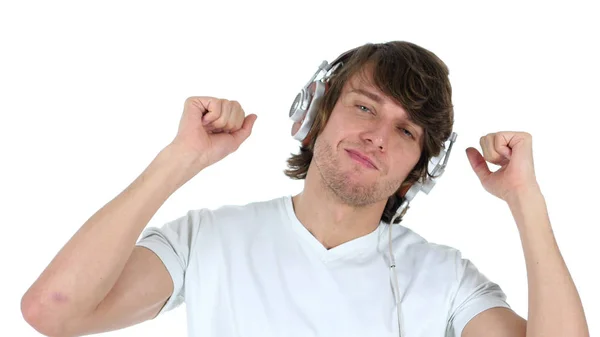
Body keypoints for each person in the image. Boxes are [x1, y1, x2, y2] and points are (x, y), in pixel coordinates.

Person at [21, 41, 589, 337]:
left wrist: (526, 200)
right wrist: (180, 159)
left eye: (406, 130)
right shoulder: (207, 240)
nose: (376, 136)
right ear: (317, 115)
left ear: (419, 170)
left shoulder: (445, 281)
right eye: (364, 106)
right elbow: (52, 311)